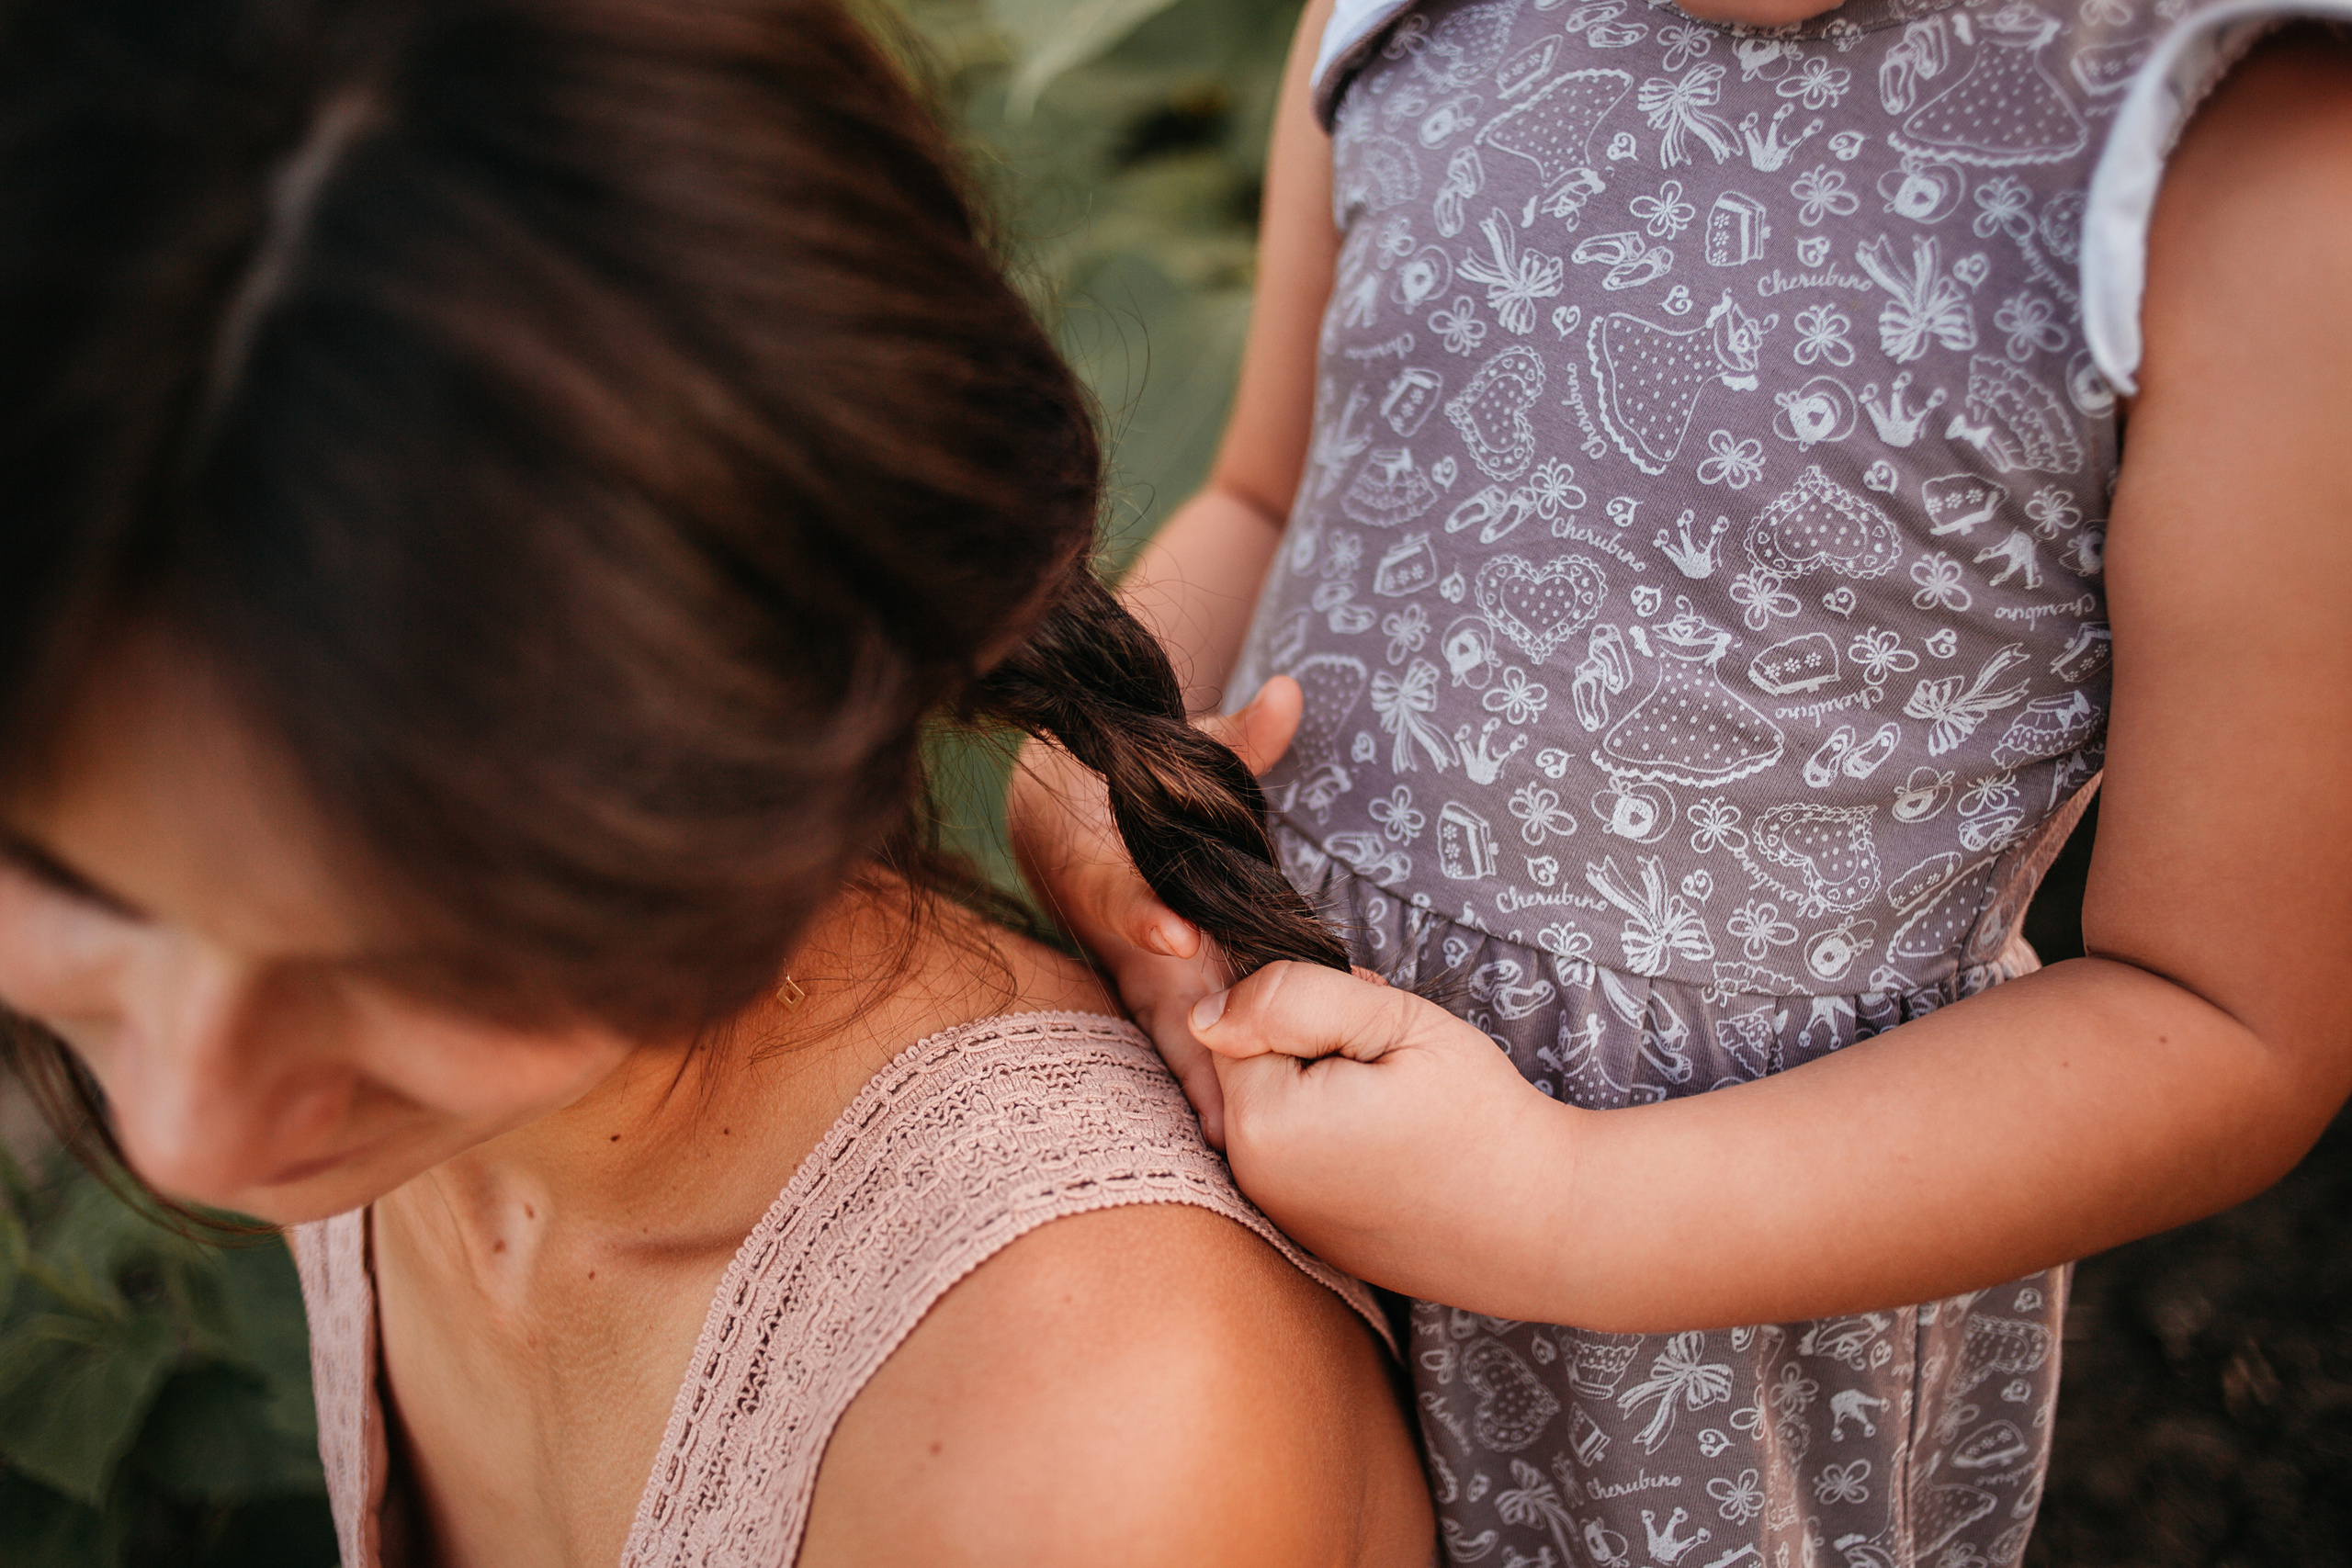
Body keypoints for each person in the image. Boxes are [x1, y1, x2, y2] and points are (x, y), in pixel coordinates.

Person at [0, 2, 1438, 1565]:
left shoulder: (1088, 1440)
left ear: (772, 757)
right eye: (70, 874)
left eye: (397, 959)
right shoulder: (364, 1008)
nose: (189, 1138)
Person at [1010, 0, 2352, 1561]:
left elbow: (2225, 1020)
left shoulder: (2243, 162)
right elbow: (1262, 492)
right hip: (1234, 1079)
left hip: (1703, 1296)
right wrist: (1101, 773)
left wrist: (1565, 1207)